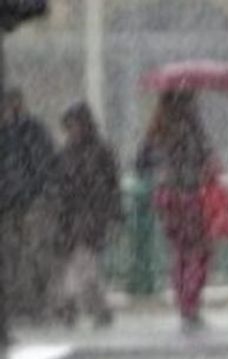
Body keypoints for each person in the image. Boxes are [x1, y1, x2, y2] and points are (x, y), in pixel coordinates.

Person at [136, 91, 218, 332]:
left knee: (180, 252)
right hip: (190, 196)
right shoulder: (192, 130)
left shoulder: (157, 131)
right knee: (199, 251)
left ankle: (183, 300)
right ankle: (191, 303)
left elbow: (141, 164)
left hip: (166, 199)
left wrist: (162, 174)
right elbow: (206, 162)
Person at [52, 102, 122, 328]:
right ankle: (96, 308)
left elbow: (112, 184)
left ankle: (69, 303)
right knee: (84, 265)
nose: (72, 130)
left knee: (82, 263)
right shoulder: (68, 153)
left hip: (92, 216)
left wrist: (114, 212)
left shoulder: (98, 151)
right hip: (74, 217)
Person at [0, 88, 58, 337]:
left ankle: (31, 304)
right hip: (16, 201)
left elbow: (43, 163)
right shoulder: (28, 131)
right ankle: (22, 303)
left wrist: (39, 191)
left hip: (27, 201)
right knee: (16, 255)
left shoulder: (30, 130)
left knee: (30, 255)